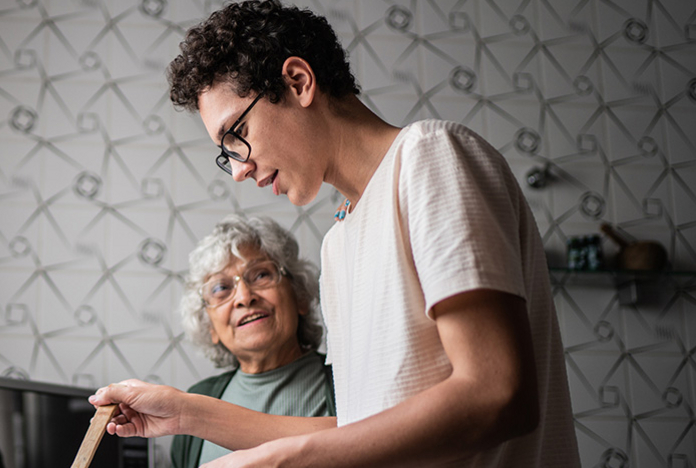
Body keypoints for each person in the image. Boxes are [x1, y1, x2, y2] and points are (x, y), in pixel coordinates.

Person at [89, 1, 580, 467]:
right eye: (226, 153)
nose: (237, 171)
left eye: (236, 135)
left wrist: (287, 460)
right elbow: (362, 434)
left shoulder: (428, 157)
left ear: (299, 82)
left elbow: (498, 394)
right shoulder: (339, 240)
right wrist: (185, 413)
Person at [171, 214, 334, 468]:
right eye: (221, 288)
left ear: (299, 295)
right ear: (210, 326)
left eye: (260, 275)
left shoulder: (344, 385)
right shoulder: (196, 402)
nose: (244, 297)